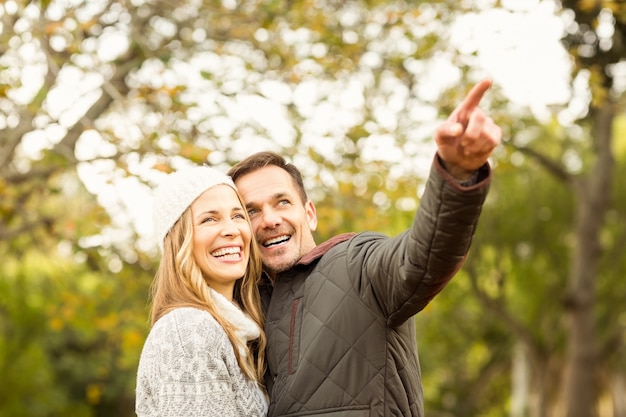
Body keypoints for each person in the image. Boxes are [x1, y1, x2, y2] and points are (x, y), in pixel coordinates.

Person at [226, 78, 502, 417]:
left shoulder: (357, 263)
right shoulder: (240, 307)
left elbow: (423, 257)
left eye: (282, 202)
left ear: (308, 214)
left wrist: (458, 174)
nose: (268, 219)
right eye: (251, 211)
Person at [135, 166, 269, 417]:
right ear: (179, 240)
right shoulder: (189, 331)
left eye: (238, 215)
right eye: (210, 219)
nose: (231, 229)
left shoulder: (236, 332)